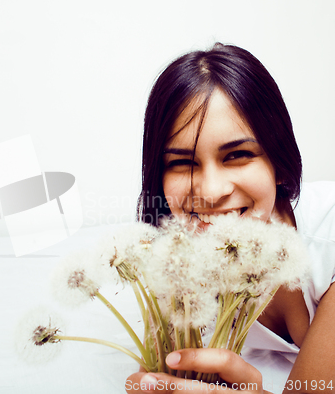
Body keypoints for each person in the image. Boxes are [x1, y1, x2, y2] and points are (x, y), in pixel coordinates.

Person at [126, 43, 335, 393]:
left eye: (237, 155)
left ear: (279, 163)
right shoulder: (174, 272)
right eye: (181, 162)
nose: (210, 189)